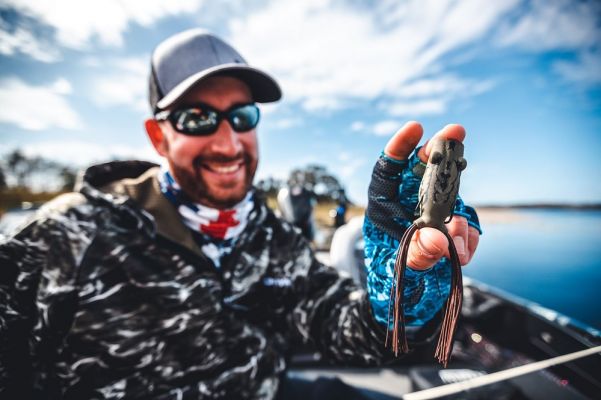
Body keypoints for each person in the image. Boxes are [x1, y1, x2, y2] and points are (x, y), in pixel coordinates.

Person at [0, 29, 481, 399]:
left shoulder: (272, 237)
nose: (228, 142)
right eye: (197, 118)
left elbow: (349, 333)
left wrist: (401, 276)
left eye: (242, 116)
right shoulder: (64, 236)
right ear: (158, 136)